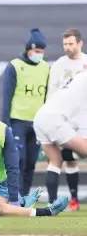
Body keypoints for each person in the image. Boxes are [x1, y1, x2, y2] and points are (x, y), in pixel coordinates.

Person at [2, 28, 50, 196]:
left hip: (37, 123)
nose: (39, 54)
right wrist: (6, 123)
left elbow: (46, 96)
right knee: (18, 161)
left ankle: (25, 197)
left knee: (30, 163)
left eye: (42, 51)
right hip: (18, 121)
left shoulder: (45, 68)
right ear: (28, 49)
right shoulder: (14, 66)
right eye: (36, 51)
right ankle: (15, 196)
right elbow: (7, 96)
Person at [46, 28, 87, 210]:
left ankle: (73, 199)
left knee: (71, 158)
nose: (67, 47)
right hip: (64, 119)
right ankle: (62, 201)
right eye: (65, 44)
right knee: (61, 159)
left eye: (71, 44)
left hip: (84, 118)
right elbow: (51, 93)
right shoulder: (58, 66)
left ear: (80, 44)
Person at [34, 71, 87, 206]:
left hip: (40, 117)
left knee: (55, 160)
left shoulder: (79, 77)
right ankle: (67, 155)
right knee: (84, 150)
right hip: (54, 120)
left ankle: (51, 205)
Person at [0, 109, 41, 207]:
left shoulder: (4, 132)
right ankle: (23, 203)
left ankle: (23, 203)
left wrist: (13, 198)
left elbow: (12, 166)